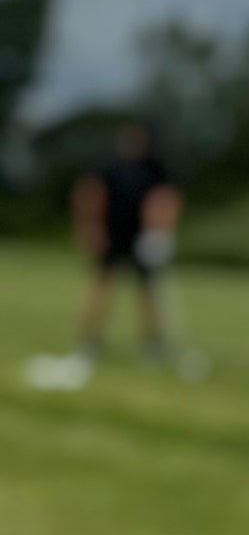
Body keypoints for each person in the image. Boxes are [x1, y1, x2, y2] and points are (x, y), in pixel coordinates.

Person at [72, 118, 183, 360]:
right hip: (113, 234)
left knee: (149, 290)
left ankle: (153, 343)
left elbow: (166, 198)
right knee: (102, 284)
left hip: (143, 238)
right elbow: (89, 193)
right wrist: (91, 227)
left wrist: (161, 233)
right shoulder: (109, 166)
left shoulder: (155, 168)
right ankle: (89, 340)